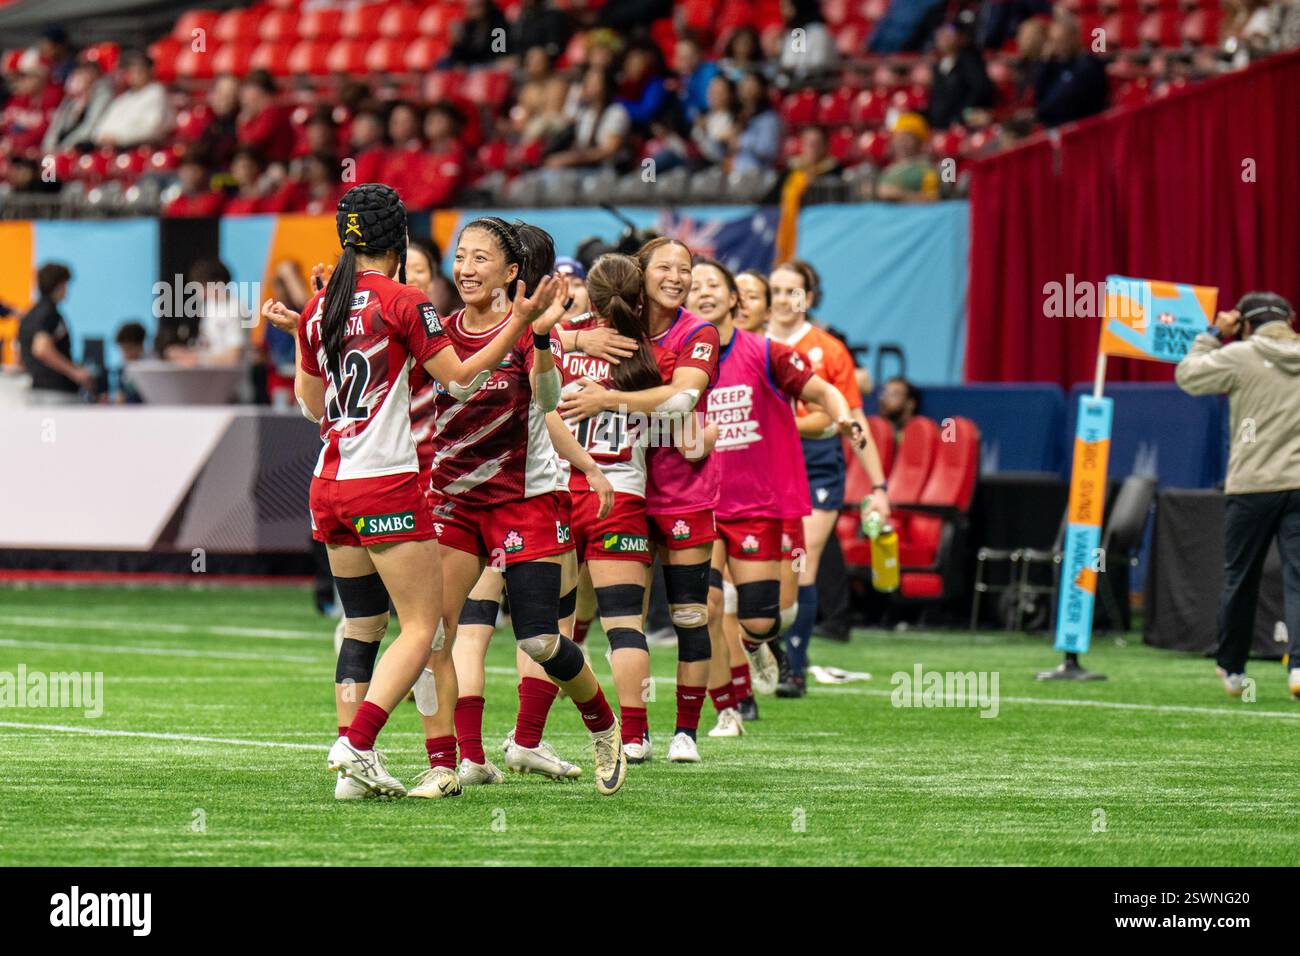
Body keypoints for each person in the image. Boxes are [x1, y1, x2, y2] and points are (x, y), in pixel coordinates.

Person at [260, 184, 551, 799]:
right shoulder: (403, 300)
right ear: (400, 242)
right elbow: (464, 379)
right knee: (422, 628)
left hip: (328, 484)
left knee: (362, 625)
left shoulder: (320, 308)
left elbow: (312, 405)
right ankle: (358, 744)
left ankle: (357, 776)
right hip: (385, 484)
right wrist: (522, 322)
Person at [428, 216, 628, 795]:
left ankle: (603, 725)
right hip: (456, 502)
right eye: (460, 258)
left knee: (539, 639)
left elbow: (547, 403)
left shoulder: (530, 334)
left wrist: (541, 339)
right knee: (433, 636)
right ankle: (449, 762)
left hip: (526, 501)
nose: (465, 269)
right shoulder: (436, 331)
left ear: (512, 272)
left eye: (480, 259)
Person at [560, 236, 722, 764]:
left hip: (677, 490)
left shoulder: (698, 331)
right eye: (665, 267)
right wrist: (578, 343)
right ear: (641, 271)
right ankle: (633, 727)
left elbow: (683, 398)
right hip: (622, 488)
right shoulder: (608, 325)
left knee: (689, 613)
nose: (676, 276)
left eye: (686, 268)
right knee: (619, 612)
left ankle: (687, 732)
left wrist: (607, 397)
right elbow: (542, 338)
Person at [690, 257, 863, 728]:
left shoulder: (767, 353)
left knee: (767, 618)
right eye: (694, 286)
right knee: (706, 606)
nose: (702, 292)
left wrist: (842, 415)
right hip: (698, 501)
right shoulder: (674, 358)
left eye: (713, 285)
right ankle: (728, 708)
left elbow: (823, 391)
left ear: (736, 301)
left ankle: (756, 645)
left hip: (758, 503)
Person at [554, 253, 665, 761]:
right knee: (625, 624)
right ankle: (637, 736)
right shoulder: (651, 353)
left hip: (558, 491)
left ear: (589, 297)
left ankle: (529, 733)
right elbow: (678, 419)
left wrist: (571, 333)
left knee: (545, 626)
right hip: (620, 494)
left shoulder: (557, 342)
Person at [767, 260, 889, 697]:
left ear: (810, 297)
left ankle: (793, 668)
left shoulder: (830, 349)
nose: (782, 299)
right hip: (761, 463)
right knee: (765, 568)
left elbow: (853, 420)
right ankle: (762, 655)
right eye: (776, 290)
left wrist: (878, 487)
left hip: (817, 461)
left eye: (791, 291)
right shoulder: (750, 342)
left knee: (803, 560)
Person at [1175, 292, 1300, 700]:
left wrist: (1213, 333)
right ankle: (1298, 669)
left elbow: (1188, 375)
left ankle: (1232, 670)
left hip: (1251, 485)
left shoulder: (1240, 356)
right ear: (1289, 319)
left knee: (1239, 577)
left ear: (1244, 324)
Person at [18, 263, 93, 404]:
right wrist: (75, 373)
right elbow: (41, 348)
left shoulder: (30, 315)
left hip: (37, 391)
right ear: (59, 285)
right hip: (55, 394)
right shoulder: (49, 312)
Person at [1033, 11, 1107, 128]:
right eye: (1053, 41)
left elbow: (1062, 100)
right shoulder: (1056, 65)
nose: (1056, 46)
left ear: (1075, 38)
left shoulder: (1088, 65)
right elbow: (1039, 96)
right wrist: (1045, 62)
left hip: (1081, 129)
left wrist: (1038, 113)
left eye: (1062, 40)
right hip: (1055, 126)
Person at [93, 51, 168, 148]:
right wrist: (101, 136)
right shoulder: (124, 98)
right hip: (113, 148)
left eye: (139, 70)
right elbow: (101, 127)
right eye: (131, 71)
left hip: (138, 148)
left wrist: (117, 137)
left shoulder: (156, 92)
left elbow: (152, 129)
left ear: (150, 71)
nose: (134, 75)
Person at [927, 22, 994, 130]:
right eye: (940, 33)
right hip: (941, 122)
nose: (942, 37)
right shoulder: (938, 66)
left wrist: (962, 115)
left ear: (961, 37)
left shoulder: (970, 61)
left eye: (948, 33)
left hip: (963, 119)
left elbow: (980, 89)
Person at [877, 112, 941, 203]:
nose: (901, 142)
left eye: (907, 138)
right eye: (898, 137)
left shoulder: (926, 170)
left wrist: (900, 195)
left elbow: (933, 200)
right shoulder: (888, 170)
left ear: (920, 143)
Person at [113, 321, 146, 403]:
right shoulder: (123, 369)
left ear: (141, 346)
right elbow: (121, 396)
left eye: (129, 349)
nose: (125, 355)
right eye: (123, 350)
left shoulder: (149, 369)